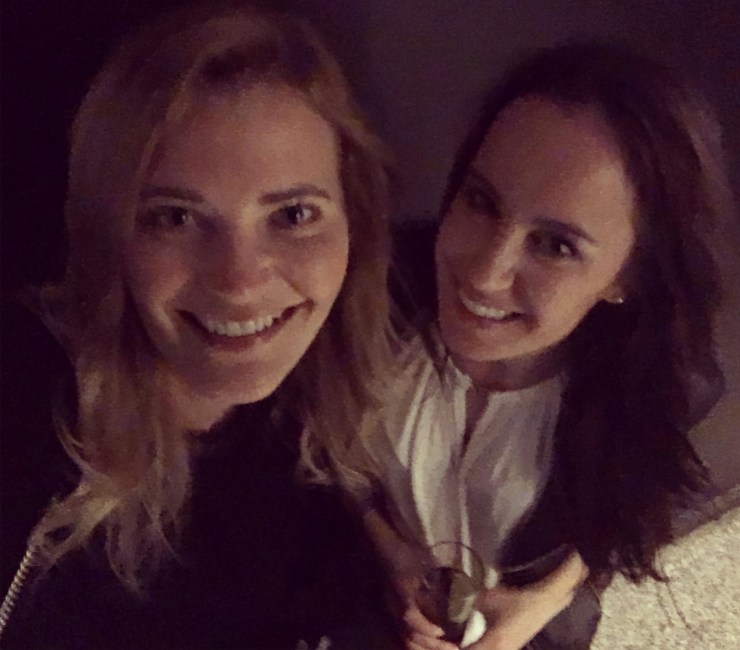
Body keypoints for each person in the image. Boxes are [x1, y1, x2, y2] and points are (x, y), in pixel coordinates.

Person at [0, 3, 399, 648]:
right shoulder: (23, 395)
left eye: (293, 215)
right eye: (175, 218)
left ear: (355, 222)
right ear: (109, 234)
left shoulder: (326, 425)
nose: (239, 283)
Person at [357, 42, 730, 649]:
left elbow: (623, 512)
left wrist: (544, 602)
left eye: (555, 245)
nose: (484, 274)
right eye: (481, 202)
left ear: (627, 277)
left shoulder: (665, 387)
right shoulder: (369, 295)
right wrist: (391, 553)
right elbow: (324, 452)